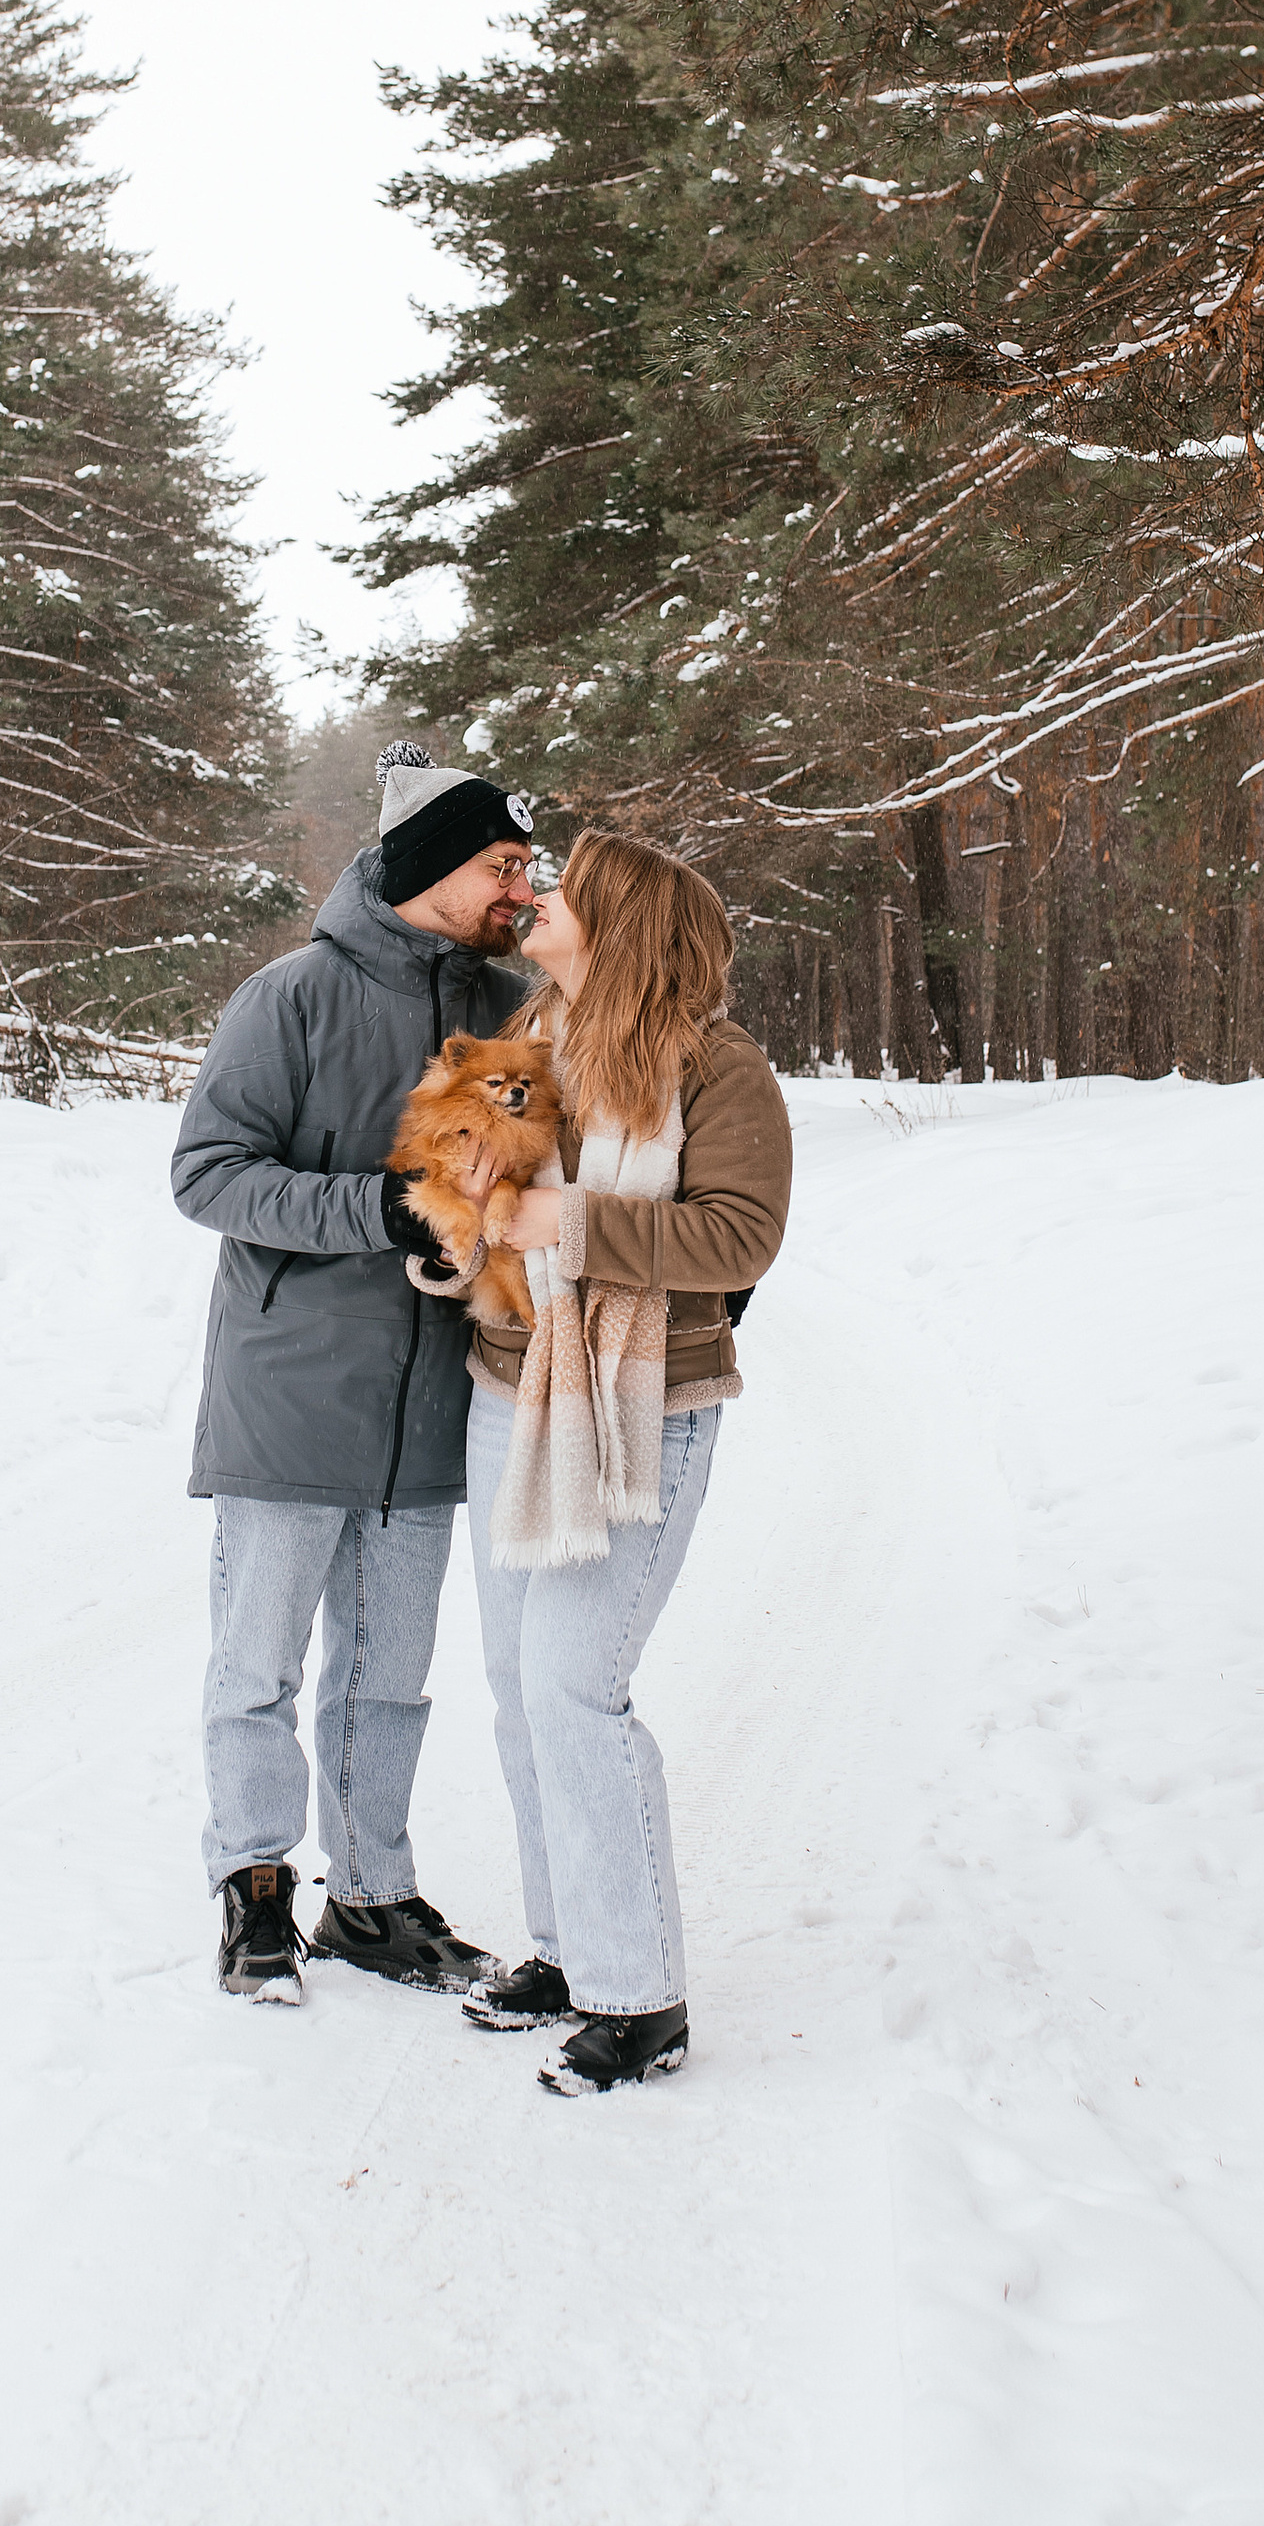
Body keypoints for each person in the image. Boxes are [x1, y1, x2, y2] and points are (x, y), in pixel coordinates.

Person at [171, 741, 536, 2002]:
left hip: (436, 1397)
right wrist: (379, 1211)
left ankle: (372, 1896)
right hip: (291, 1390)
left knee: (390, 1676)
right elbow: (208, 1174)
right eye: (502, 863)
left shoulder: (505, 1010)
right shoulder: (290, 997)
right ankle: (255, 1888)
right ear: (433, 869)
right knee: (258, 1663)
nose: (520, 887)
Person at [453, 829, 791, 2094]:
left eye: (561, 891)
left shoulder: (716, 1068)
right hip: (510, 1392)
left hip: (644, 1405)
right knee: (513, 1680)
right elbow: (471, 1222)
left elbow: (739, 1235)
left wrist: (572, 1221)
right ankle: (564, 1945)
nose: (534, 899)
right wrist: (465, 1216)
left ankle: (639, 1994)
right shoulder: (526, 1045)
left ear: (624, 924)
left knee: (569, 1685)